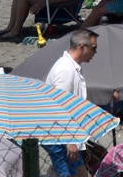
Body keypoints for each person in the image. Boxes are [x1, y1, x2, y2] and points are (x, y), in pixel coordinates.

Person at [42, 29, 99, 174]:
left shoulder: (71, 67)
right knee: (70, 172)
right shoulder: (66, 70)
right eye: (93, 48)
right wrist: (70, 140)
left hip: (61, 132)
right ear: (81, 47)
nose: (95, 52)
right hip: (58, 134)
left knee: (77, 171)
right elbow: (60, 107)